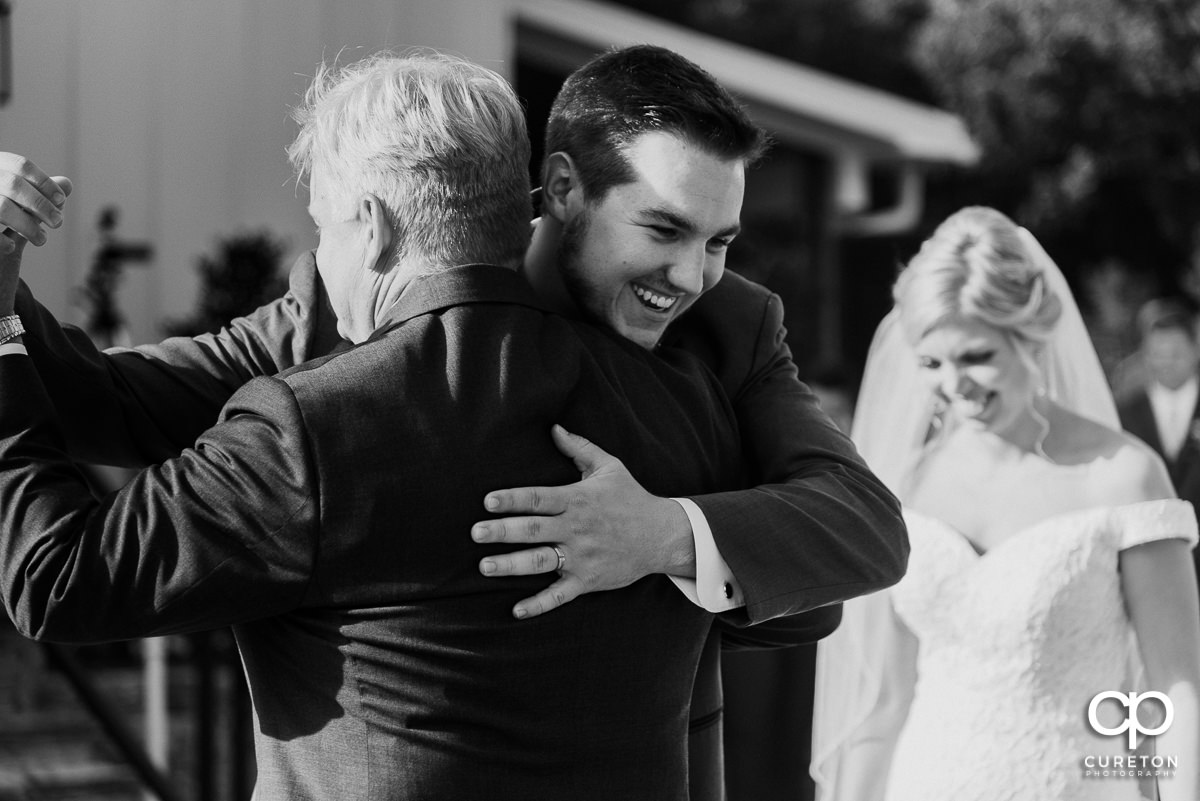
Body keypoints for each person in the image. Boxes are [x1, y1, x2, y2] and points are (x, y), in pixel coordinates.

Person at [1, 45, 907, 799]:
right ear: (560, 188)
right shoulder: (330, 322)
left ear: (370, 227)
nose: (694, 276)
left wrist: (666, 534)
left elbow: (852, 532)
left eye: (720, 241)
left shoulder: (723, 338)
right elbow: (110, 401)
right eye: (664, 229)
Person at [811, 206, 1200, 801]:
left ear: (1033, 338)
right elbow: (884, 702)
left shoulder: (1125, 478)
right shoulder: (902, 482)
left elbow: (1175, 692)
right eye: (931, 362)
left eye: (976, 357)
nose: (954, 384)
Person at [1118, 298, 1200, 597]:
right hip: (1151, 569)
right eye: (1157, 353)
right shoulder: (1124, 414)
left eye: (1175, 353)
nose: (1166, 362)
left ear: (1195, 350)